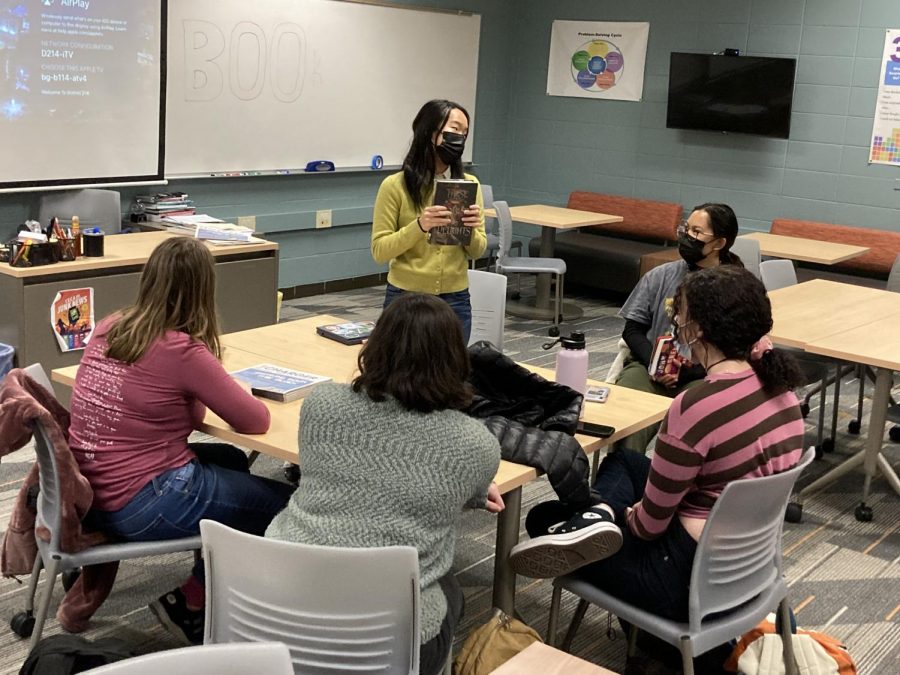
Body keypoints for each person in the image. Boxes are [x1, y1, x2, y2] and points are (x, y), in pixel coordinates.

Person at [508, 265, 805, 624]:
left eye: (679, 319)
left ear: (697, 329)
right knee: (626, 462)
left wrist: (627, 516)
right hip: (745, 567)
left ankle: (592, 523)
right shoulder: (781, 388)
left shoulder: (696, 406)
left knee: (544, 517)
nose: (677, 328)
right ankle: (595, 519)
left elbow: (649, 526)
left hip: (681, 579)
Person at [68, 237, 294, 645]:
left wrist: (191, 394)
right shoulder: (182, 350)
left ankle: (208, 577)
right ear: (202, 289)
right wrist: (214, 387)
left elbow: (175, 411)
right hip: (143, 501)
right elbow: (255, 420)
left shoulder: (110, 326)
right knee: (288, 505)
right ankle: (191, 601)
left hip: (89, 493)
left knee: (230, 457)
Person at [266, 293, 503, 675]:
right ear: (455, 360)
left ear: (375, 346)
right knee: (450, 590)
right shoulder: (474, 444)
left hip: (279, 605)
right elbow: (444, 482)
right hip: (386, 641)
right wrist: (475, 492)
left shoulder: (321, 404)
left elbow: (341, 469)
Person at [615, 202, 743, 454]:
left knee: (692, 424)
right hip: (649, 365)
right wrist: (657, 364)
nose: (686, 237)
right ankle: (623, 481)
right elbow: (632, 330)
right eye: (685, 229)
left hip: (703, 373)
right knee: (626, 419)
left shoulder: (734, 286)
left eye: (696, 232)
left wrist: (686, 372)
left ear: (719, 244)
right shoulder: (660, 276)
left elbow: (735, 346)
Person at [371, 99, 487, 342]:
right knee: (400, 369)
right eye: (454, 129)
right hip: (405, 297)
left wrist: (471, 230)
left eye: (465, 133)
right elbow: (380, 251)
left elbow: (477, 251)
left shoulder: (469, 185)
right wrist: (420, 226)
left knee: (451, 372)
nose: (460, 138)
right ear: (429, 132)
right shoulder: (395, 186)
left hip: (455, 299)